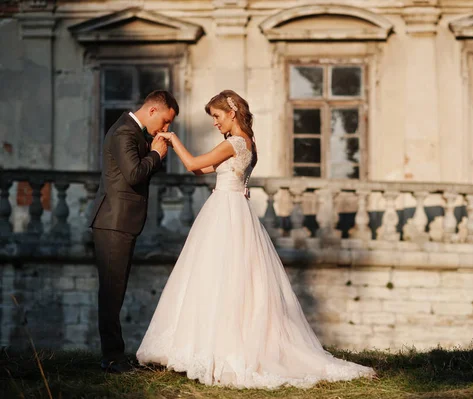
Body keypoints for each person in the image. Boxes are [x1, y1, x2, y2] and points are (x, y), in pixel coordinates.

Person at [136, 90, 375, 388]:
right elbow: (205, 172)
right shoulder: (247, 144)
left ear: (232, 113)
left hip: (226, 211)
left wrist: (173, 141)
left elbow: (193, 166)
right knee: (230, 279)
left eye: (217, 116)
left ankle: (219, 348)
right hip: (234, 208)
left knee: (220, 278)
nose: (215, 123)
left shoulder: (234, 143)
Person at [89, 90, 179, 373]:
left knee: (116, 289)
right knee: (112, 292)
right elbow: (134, 175)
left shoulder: (133, 132)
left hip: (120, 222)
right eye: (164, 122)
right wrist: (156, 153)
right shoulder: (124, 133)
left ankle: (114, 355)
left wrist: (154, 149)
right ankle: (112, 358)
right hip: (113, 222)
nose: (165, 129)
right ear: (152, 111)